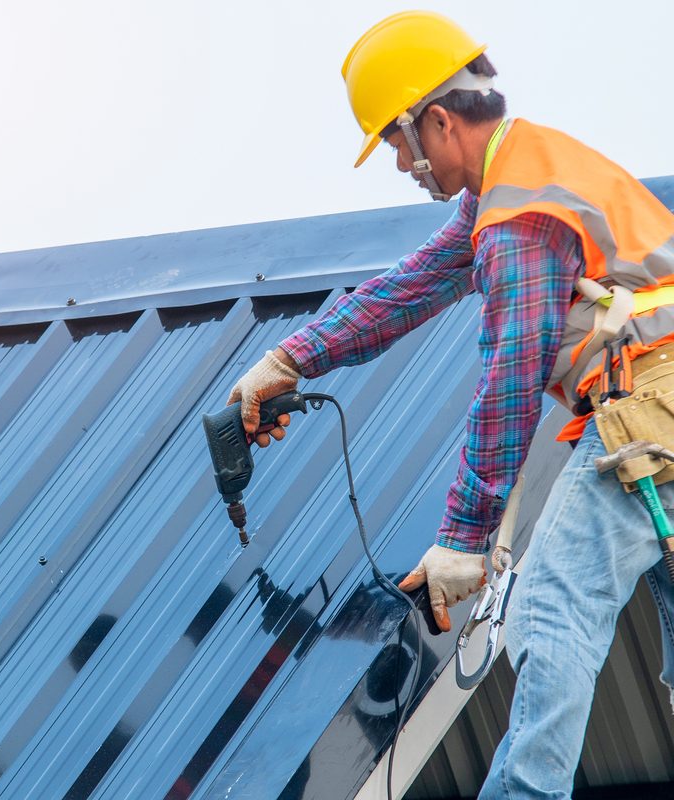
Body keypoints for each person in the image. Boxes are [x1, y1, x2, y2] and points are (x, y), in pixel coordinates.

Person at [226, 10, 674, 799]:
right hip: (658, 402)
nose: (403, 165)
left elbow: (511, 374)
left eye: (399, 144)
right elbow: (411, 287)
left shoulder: (521, 216)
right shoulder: (522, 174)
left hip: (649, 403)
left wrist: (463, 539)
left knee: (552, 604)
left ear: (436, 119)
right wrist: (286, 361)